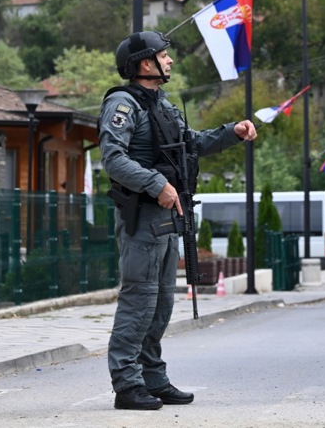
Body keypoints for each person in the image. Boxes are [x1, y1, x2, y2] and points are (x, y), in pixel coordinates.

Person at [100, 31, 257, 411]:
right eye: (163, 55)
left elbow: (191, 143)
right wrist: (157, 185)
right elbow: (113, 158)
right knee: (139, 301)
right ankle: (127, 384)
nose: (169, 60)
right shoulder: (123, 104)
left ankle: (152, 378)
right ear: (144, 63)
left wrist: (232, 133)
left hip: (169, 217)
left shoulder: (163, 104)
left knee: (161, 305)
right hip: (143, 217)